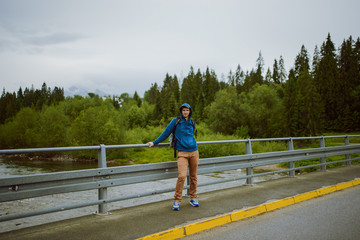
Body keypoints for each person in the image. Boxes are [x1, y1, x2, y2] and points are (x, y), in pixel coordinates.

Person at [147, 103, 199, 211]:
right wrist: (154, 142)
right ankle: (177, 200)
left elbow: (191, 136)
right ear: (181, 111)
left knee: (193, 177)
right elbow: (166, 133)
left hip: (194, 152)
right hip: (182, 153)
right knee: (182, 176)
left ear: (190, 111)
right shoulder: (176, 122)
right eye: (184, 110)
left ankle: (193, 197)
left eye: (187, 110)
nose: (185, 112)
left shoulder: (192, 122)